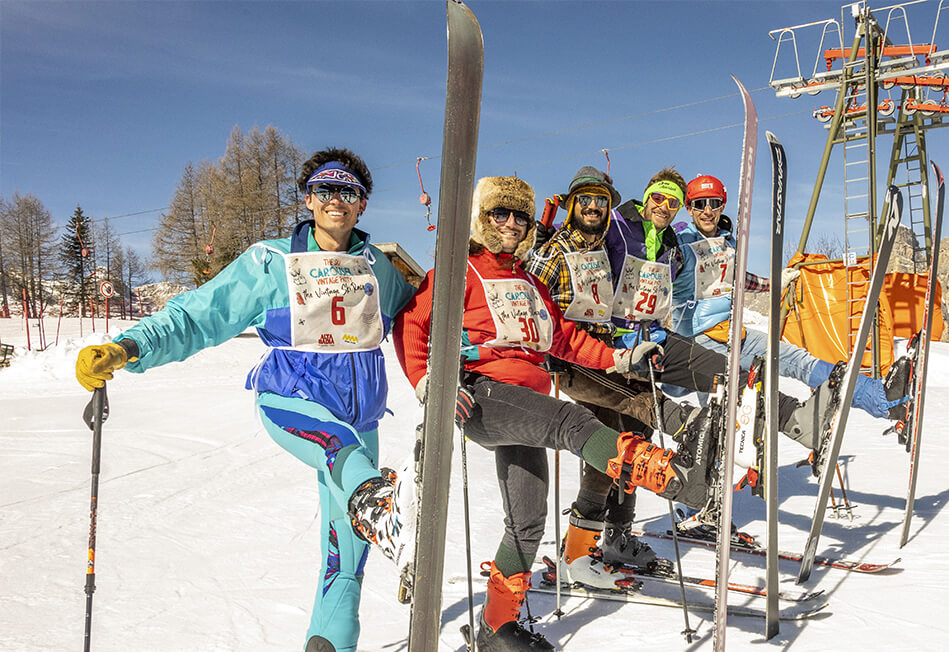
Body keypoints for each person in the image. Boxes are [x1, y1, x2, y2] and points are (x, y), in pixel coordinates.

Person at [74, 148, 418, 652]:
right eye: (326, 188)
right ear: (309, 198)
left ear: (362, 205)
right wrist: (129, 347)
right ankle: (381, 504)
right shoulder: (272, 260)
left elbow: (420, 320)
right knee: (336, 447)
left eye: (349, 191)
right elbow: (199, 314)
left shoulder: (377, 270)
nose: (336, 199)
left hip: (360, 418)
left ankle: (332, 639)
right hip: (292, 398)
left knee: (346, 559)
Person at [392, 176, 721, 652]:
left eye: (520, 216)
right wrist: (429, 383)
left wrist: (618, 359)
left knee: (527, 520)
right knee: (574, 424)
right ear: (481, 220)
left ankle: (496, 628)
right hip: (482, 393)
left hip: (526, 403)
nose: (510, 224)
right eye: (499, 215)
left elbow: (566, 337)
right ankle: (663, 471)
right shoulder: (460, 270)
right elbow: (413, 324)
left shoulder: (527, 280)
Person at [526, 167, 836, 588]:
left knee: (644, 428)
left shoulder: (667, 243)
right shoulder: (611, 229)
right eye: (660, 198)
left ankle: (798, 419)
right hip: (584, 356)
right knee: (632, 424)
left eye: (673, 201)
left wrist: (769, 282)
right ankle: (686, 450)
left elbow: (711, 277)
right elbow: (530, 301)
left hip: (643, 344)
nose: (665, 206)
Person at [671, 173, 911, 429]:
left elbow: (737, 279)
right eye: (699, 204)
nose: (707, 211)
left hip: (732, 333)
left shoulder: (728, 242)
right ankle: (719, 462)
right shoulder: (682, 242)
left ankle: (880, 397)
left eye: (714, 202)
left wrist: (773, 283)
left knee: (797, 360)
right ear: (689, 208)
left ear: (722, 205)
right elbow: (666, 270)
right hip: (699, 342)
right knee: (722, 414)